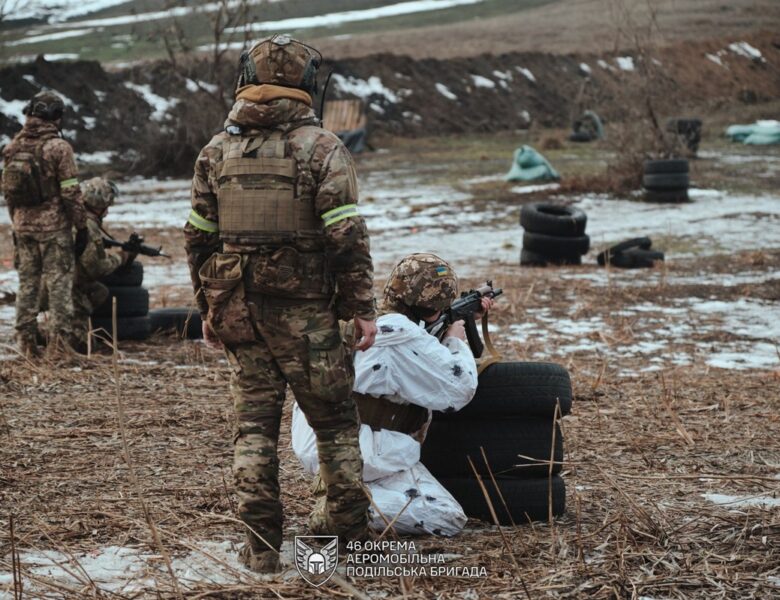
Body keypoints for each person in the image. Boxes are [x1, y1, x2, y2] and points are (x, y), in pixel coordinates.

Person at [183, 34, 377, 573]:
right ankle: (344, 548)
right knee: (335, 427)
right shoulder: (322, 149)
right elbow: (346, 238)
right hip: (310, 318)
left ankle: (261, 551)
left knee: (254, 433)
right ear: (307, 84)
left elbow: (198, 239)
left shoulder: (216, 151)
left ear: (247, 79)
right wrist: (363, 308)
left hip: (239, 315)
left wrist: (208, 308)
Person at [292, 253, 494, 536]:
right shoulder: (405, 335)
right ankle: (346, 510)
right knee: (445, 517)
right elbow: (459, 389)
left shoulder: (371, 321)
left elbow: (411, 359)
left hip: (322, 438)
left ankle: (345, 494)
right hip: (362, 450)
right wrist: (454, 340)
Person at [2, 90, 88, 357]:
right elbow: (71, 193)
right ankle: (58, 347)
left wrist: (16, 223)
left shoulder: (12, 146)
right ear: (56, 117)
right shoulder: (59, 148)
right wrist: (82, 226)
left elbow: (8, 194)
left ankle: (25, 343)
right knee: (58, 284)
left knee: (27, 284)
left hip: (22, 227)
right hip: (54, 229)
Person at [72, 177, 134, 347]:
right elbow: (95, 269)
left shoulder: (76, 218)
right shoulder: (88, 226)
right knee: (84, 347)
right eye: (105, 207)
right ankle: (66, 330)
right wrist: (120, 258)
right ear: (97, 205)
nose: (107, 212)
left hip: (59, 279)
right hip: (67, 285)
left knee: (100, 291)